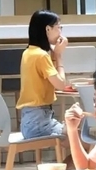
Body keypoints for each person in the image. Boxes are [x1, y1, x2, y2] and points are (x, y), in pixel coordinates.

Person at [17, 10, 68, 139]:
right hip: (38, 122)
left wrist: (54, 54)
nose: (60, 32)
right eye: (58, 27)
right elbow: (61, 85)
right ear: (48, 29)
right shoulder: (41, 56)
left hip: (30, 120)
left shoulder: (29, 52)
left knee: (73, 136)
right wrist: (58, 55)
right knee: (77, 137)